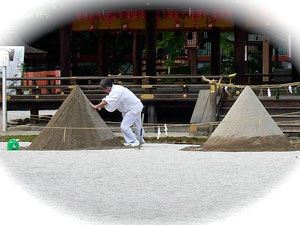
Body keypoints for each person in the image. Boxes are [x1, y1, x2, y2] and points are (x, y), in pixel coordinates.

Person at [89, 78, 145, 147]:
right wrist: (97, 106)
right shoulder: (116, 89)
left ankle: (134, 141)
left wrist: (96, 106)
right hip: (133, 107)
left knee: (124, 126)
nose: (103, 91)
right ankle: (140, 140)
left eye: (103, 89)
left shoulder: (116, 91)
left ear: (108, 88)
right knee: (137, 125)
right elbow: (108, 102)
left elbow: (106, 101)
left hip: (133, 108)